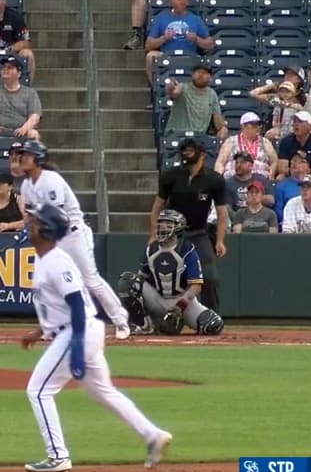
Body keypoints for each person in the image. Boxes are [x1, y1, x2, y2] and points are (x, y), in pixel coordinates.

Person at [19, 202, 173, 472]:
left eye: (34, 222)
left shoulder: (56, 260)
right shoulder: (45, 258)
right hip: (78, 329)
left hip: (78, 331)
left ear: (46, 230)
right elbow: (57, 307)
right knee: (103, 391)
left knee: (39, 391)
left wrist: (76, 347)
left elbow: (77, 304)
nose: (28, 224)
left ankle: (57, 455)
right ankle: (153, 434)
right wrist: (39, 331)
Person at [17, 140, 132, 339]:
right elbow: (31, 215)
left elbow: (56, 215)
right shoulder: (26, 185)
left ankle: (120, 320)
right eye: (23, 155)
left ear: (39, 159)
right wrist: (27, 227)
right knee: (44, 279)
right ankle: (50, 327)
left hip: (71, 233)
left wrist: (37, 227)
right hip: (50, 238)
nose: (23, 158)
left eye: (28, 155)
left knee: (90, 280)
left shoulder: (50, 180)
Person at [116, 209, 224, 337]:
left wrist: (181, 305)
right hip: (158, 298)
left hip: (183, 300)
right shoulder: (151, 249)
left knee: (213, 325)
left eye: (168, 224)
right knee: (127, 281)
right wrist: (143, 308)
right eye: (161, 223)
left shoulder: (187, 249)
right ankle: (144, 324)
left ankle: (168, 324)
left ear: (178, 228)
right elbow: (142, 279)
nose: (162, 227)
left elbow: (196, 285)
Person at [149, 139, 228, 312]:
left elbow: (222, 214)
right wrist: (154, 234)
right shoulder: (171, 176)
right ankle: (158, 315)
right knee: (161, 274)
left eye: (191, 150)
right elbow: (156, 207)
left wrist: (220, 241)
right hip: (172, 234)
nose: (186, 153)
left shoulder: (214, 180)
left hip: (199, 233)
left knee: (209, 277)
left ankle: (211, 316)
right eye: (184, 150)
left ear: (202, 154)